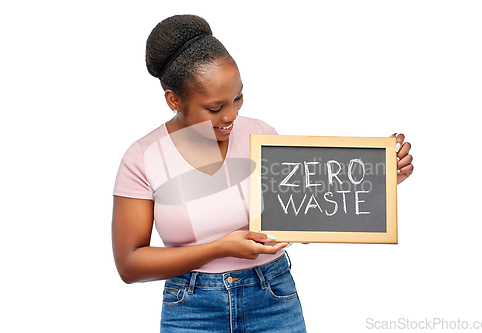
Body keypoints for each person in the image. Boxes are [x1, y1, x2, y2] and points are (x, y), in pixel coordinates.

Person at [112, 15, 413, 333]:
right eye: (214, 108)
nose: (231, 115)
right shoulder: (143, 158)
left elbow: (302, 217)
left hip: (271, 297)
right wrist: (221, 247)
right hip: (191, 309)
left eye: (237, 97)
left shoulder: (261, 135)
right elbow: (130, 265)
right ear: (174, 100)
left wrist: (371, 183)